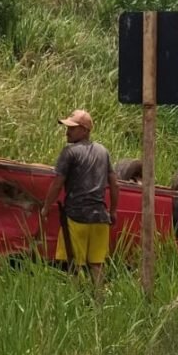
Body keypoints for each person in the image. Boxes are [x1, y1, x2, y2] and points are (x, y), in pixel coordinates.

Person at [41, 109, 119, 287]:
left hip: (76, 218)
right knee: (97, 266)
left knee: (73, 265)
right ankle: (99, 306)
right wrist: (113, 212)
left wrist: (46, 207)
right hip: (100, 218)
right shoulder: (103, 152)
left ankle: (76, 305)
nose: (67, 132)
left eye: (72, 128)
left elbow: (57, 183)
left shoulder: (69, 152)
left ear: (85, 131)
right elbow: (115, 184)